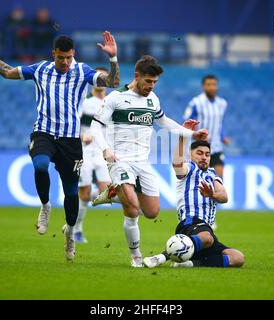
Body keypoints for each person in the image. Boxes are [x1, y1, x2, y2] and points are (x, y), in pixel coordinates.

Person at [0, 27, 120, 261]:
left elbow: (113, 82)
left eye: (69, 57)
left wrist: (112, 58)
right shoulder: (41, 69)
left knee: (72, 193)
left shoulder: (82, 71)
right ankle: (45, 206)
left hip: (71, 141)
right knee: (40, 166)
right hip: (44, 132)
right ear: (54, 54)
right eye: (61, 57)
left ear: (73, 54)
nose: (65, 62)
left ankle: (70, 232)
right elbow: (7, 72)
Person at [90, 55, 208, 267]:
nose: (151, 86)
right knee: (133, 208)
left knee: (152, 212)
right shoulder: (116, 97)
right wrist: (106, 149)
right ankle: (135, 255)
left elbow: (165, 123)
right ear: (137, 76)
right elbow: (96, 126)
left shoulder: (153, 100)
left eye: (155, 82)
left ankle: (115, 194)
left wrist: (192, 134)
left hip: (142, 163)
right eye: (148, 81)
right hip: (120, 160)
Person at [143, 120, 244, 268]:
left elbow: (224, 196)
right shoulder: (190, 168)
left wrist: (212, 195)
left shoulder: (212, 174)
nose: (204, 157)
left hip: (205, 229)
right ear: (190, 156)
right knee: (207, 238)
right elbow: (177, 165)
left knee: (238, 258)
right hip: (190, 224)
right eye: (200, 153)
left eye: (207, 154)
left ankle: (190, 263)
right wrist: (184, 134)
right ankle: (161, 257)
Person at [74, 67, 111, 243]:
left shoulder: (111, 102)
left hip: (102, 151)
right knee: (85, 194)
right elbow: (73, 123)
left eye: (105, 78)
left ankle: (84, 196)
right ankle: (77, 229)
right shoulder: (85, 102)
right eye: (99, 78)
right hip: (85, 152)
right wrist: (82, 135)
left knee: (106, 192)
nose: (102, 82)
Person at [184, 75, 230, 178]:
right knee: (198, 180)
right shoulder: (196, 103)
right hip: (199, 148)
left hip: (216, 147)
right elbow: (188, 123)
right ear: (203, 86)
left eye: (214, 84)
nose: (212, 87)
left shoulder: (222, 103)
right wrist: (195, 134)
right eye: (209, 85)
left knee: (218, 181)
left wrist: (223, 137)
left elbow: (219, 123)